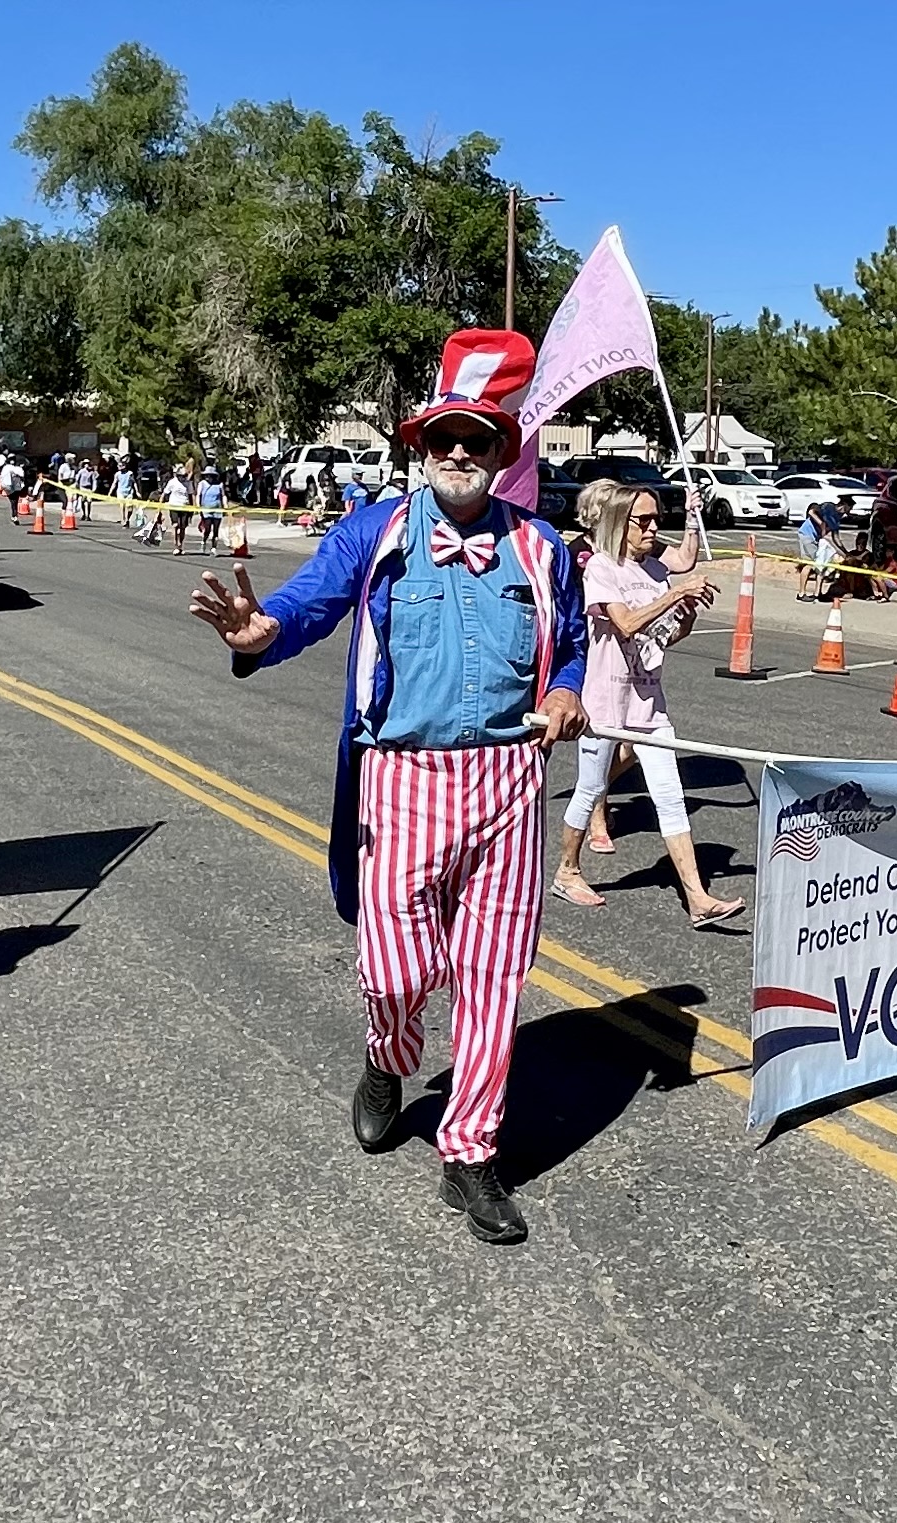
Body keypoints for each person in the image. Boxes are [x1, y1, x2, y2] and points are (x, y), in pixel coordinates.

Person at [189, 329, 585, 1245]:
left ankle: (471, 1153)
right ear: (421, 445)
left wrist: (565, 690)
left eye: (478, 439)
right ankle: (388, 1055)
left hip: (509, 782)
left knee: (494, 978)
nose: (459, 451)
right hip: (399, 780)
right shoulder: (376, 532)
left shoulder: (541, 548)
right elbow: (307, 604)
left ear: (502, 452)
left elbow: (570, 643)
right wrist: (261, 633)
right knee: (398, 971)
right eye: (444, 436)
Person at [549, 481, 745, 927]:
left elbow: (663, 637)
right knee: (591, 788)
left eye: (658, 519)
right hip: (604, 702)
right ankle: (567, 870)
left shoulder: (655, 570)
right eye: (645, 520)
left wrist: (686, 615)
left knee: (670, 797)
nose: (655, 528)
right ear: (621, 523)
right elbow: (624, 624)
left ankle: (697, 896)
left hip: (648, 703)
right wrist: (675, 594)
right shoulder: (601, 568)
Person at [795, 494, 841, 601]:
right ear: (843, 505)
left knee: (820, 565)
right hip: (807, 535)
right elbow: (811, 511)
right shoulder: (828, 509)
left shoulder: (837, 517)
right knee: (809, 564)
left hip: (817, 538)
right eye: (849, 508)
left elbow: (834, 535)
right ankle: (801, 593)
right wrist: (821, 523)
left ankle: (818, 593)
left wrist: (843, 551)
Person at [159, 465, 191, 552]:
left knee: (183, 527)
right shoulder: (172, 482)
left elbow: (192, 494)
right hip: (174, 506)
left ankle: (181, 545)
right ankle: (176, 545)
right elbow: (164, 493)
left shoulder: (188, 483)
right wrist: (160, 506)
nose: (183, 478)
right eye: (181, 476)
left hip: (184, 506)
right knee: (175, 525)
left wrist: (194, 506)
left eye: (184, 476)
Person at [195, 465, 225, 557]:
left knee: (216, 530)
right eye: (207, 475)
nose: (209, 477)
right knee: (207, 529)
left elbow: (223, 496)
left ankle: (214, 547)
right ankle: (203, 542)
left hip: (217, 509)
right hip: (206, 509)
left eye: (211, 475)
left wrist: (225, 506)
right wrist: (198, 506)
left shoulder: (219, 485)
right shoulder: (202, 484)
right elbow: (198, 495)